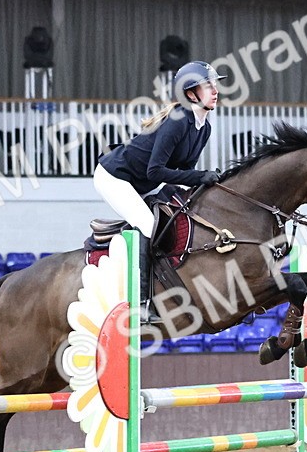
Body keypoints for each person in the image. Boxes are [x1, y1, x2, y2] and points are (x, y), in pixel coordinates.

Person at [94, 61, 225, 320]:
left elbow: (184, 170)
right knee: (146, 225)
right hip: (115, 177)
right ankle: (141, 305)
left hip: (142, 183)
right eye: (207, 85)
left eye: (214, 84)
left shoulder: (204, 127)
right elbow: (156, 171)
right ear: (190, 94)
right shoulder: (177, 122)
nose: (215, 89)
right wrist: (201, 177)